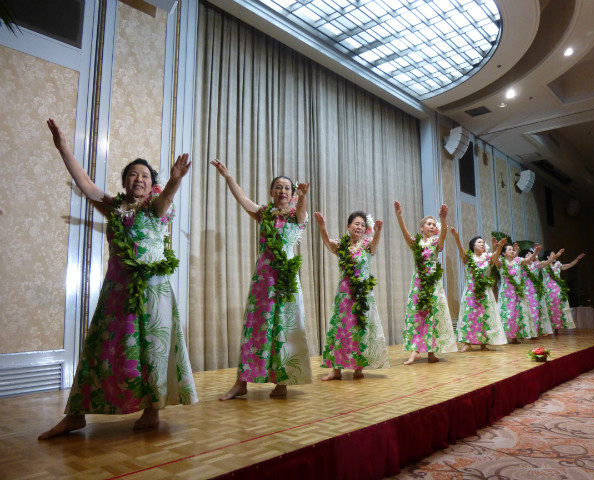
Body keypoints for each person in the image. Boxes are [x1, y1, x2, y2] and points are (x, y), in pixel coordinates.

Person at [39, 119, 198, 440]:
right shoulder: (114, 208)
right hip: (117, 291)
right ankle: (75, 415)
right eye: (133, 174)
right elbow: (84, 182)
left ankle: (152, 409)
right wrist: (63, 148)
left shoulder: (155, 208)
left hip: (153, 292)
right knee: (102, 348)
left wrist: (175, 181)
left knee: (152, 349)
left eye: (145, 175)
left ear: (152, 183)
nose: (139, 178)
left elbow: (166, 198)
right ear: (125, 182)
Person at [211, 159, 313, 400]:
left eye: (287, 188)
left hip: (287, 280)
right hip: (264, 279)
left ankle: (282, 382)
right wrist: (228, 177)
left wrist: (303, 196)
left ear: (292, 193)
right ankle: (242, 382)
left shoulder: (296, 217)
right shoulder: (264, 214)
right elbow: (243, 199)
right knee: (256, 329)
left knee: (284, 329)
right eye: (278, 187)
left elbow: (301, 213)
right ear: (271, 192)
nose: (283, 191)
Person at [314, 211, 389, 380]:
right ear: (348, 226)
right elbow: (328, 243)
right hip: (345, 294)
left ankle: (358, 367)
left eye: (363, 225)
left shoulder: (367, 245)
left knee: (360, 329)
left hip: (363, 294)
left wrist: (377, 232)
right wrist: (322, 227)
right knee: (340, 329)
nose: (360, 227)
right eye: (356, 224)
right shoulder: (342, 245)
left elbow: (375, 244)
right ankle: (336, 370)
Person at [394, 201, 457, 365]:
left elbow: (443, 234)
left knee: (433, 315)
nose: (431, 226)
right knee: (418, 315)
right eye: (428, 224)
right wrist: (399, 216)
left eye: (433, 224)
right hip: (419, 283)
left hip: (434, 284)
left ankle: (431, 352)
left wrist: (443, 219)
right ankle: (415, 351)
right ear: (421, 228)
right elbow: (404, 232)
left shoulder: (436, 243)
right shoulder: (415, 243)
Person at [450, 229, 508, 352]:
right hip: (471, 291)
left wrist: (500, 246)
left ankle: (483, 344)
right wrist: (456, 238)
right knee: (470, 316)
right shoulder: (467, 258)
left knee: (484, 316)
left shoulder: (487, 258)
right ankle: (467, 343)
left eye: (483, 242)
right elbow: (461, 250)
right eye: (479, 242)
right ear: (472, 246)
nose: (482, 243)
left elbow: (496, 254)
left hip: (485, 293)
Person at [494, 240, 540, 343]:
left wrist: (535, 253)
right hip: (506, 293)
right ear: (503, 253)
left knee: (517, 314)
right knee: (506, 314)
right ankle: (503, 336)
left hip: (518, 292)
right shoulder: (501, 262)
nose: (511, 251)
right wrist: (496, 247)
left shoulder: (518, 261)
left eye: (512, 249)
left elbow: (528, 261)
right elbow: (494, 258)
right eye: (509, 249)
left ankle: (514, 337)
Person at [519, 247, 560, 337]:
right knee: (526, 312)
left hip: (535, 292)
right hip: (525, 292)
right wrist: (534, 253)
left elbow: (547, 262)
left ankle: (535, 332)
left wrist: (555, 256)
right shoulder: (521, 265)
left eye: (531, 255)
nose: (530, 257)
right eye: (528, 255)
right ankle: (526, 333)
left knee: (535, 312)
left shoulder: (536, 265)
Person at [542, 250, 586, 334]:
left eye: (555, 255)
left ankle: (556, 329)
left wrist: (577, 258)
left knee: (558, 309)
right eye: (553, 255)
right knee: (549, 309)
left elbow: (569, 265)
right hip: (548, 291)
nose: (555, 256)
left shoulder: (557, 265)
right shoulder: (544, 265)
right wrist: (557, 255)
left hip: (558, 290)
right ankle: (548, 329)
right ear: (547, 257)